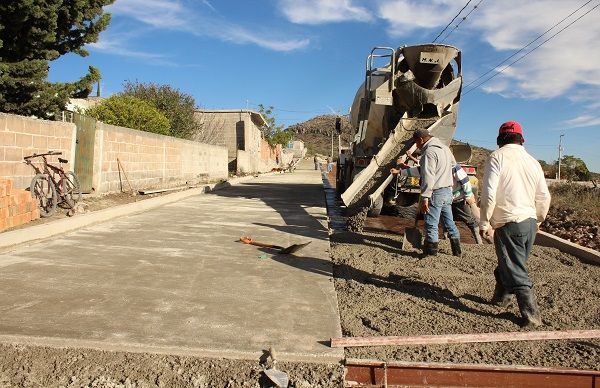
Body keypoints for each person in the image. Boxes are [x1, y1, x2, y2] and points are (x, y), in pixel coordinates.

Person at [479, 121, 551, 328]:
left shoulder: (497, 157)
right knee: (511, 264)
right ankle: (502, 299)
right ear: (521, 139)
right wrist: (537, 219)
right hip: (529, 222)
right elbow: (544, 196)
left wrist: (484, 222)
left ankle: (532, 316)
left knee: (516, 269)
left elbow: (489, 193)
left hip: (509, 222)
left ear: (500, 139)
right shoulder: (533, 162)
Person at [391, 128, 462, 257]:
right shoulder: (445, 149)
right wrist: (401, 171)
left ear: (421, 139)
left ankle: (431, 255)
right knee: (449, 223)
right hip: (447, 192)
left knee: (431, 225)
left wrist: (425, 198)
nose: (416, 146)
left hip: (435, 193)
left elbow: (428, 176)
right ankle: (457, 252)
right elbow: (426, 170)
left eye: (416, 143)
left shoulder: (429, 152)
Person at [393, 160, 483, 244]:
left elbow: (465, 180)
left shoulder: (453, 167)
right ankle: (445, 240)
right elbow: (418, 170)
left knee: (468, 219)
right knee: (444, 219)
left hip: (458, 198)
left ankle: (478, 242)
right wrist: (400, 172)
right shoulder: (431, 166)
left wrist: (467, 195)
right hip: (444, 197)